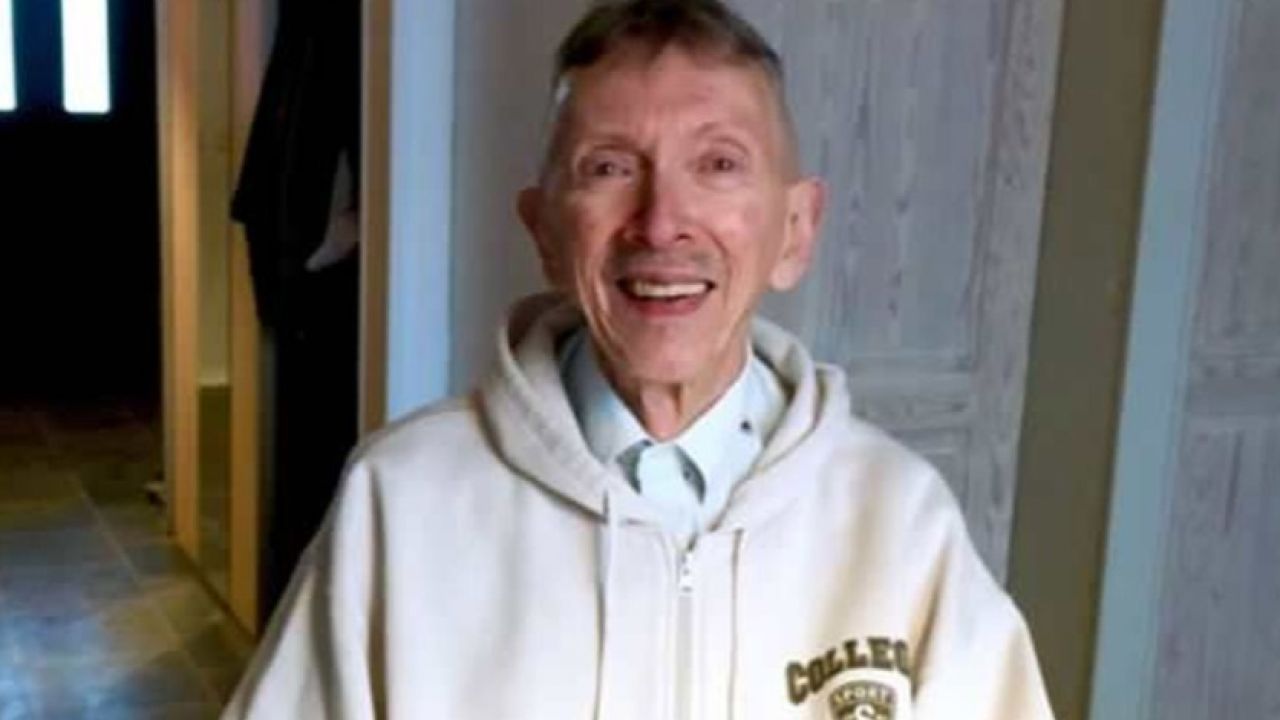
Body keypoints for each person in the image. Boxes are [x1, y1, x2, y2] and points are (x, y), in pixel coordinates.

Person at [223, 1, 1056, 718]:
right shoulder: (401, 502)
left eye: (719, 164)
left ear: (796, 230)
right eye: (611, 167)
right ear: (546, 231)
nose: (661, 223)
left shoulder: (901, 519)